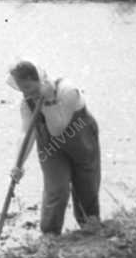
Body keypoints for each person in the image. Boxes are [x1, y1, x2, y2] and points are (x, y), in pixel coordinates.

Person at [6, 61, 101, 237]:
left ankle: (91, 228)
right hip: (51, 147)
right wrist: (18, 164)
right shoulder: (27, 103)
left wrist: (49, 102)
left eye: (28, 87)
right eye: (21, 89)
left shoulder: (67, 90)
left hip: (80, 135)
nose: (26, 93)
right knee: (56, 189)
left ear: (37, 79)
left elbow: (58, 128)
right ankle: (50, 235)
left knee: (86, 185)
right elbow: (26, 132)